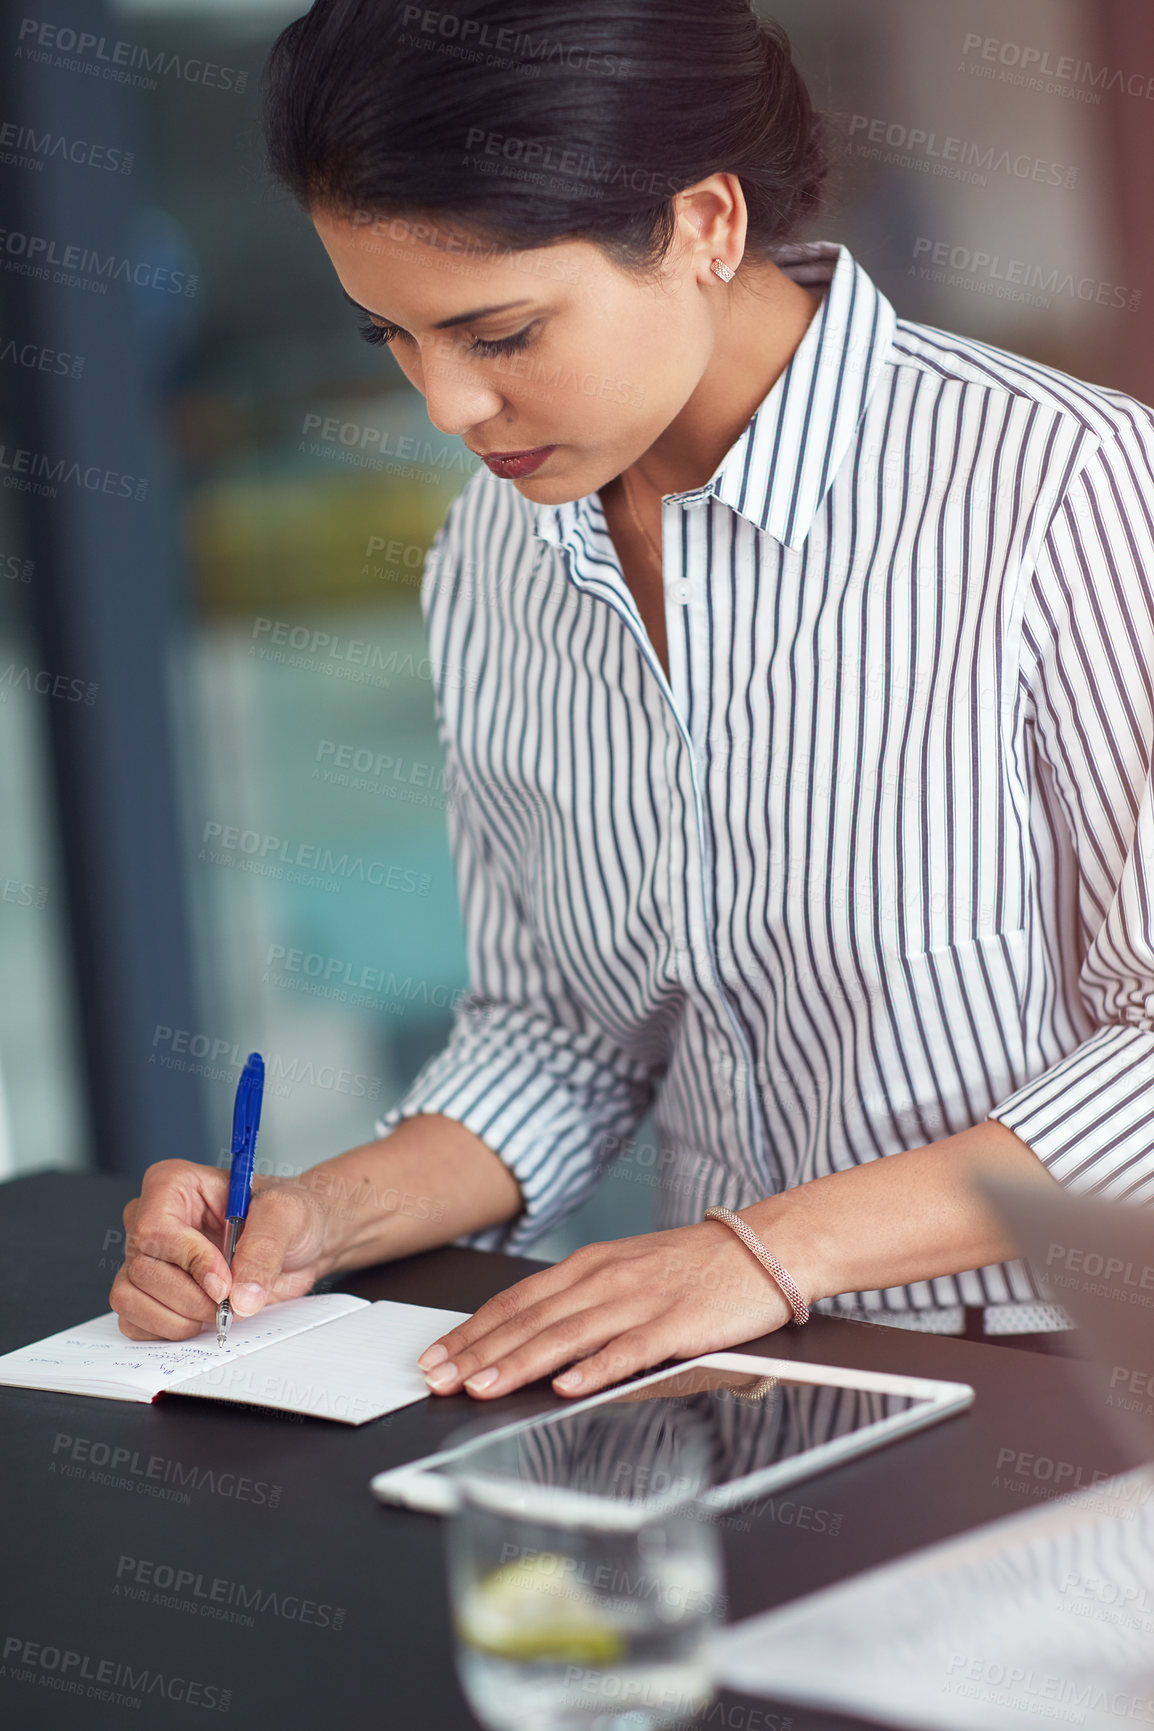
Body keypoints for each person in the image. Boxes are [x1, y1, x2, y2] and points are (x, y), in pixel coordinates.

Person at [112, 0, 1154, 1395]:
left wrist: (760, 1254)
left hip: (1072, 1390)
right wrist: (313, 1217)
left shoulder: (1065, 491)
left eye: (501, 331)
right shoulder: (495, 553)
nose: (446, 407)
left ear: (704, 224)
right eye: (393, 341)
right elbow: (562, 1036)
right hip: (724, 1387)